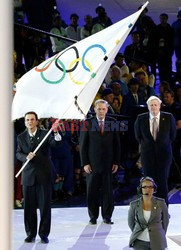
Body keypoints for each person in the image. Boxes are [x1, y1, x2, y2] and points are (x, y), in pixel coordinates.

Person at [16, 111, 61, 244]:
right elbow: (18, 153)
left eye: (32, 119)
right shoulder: (21, 137)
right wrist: (25, 157)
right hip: (28, 177)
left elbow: (55, 144)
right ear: (25, 122)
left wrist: (56, 132)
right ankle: (30, 234)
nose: (30, 122)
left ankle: (43, 234)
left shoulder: (45, 133)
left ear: (36, 121)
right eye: (27, 120)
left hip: (44, 176)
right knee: (28, 208)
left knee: (44, 207)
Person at [80, 99, 120, 225]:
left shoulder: (112, 122)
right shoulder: (88, 123)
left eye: (103, 109)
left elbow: (116, 144)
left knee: (108, 191)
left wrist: (116, 162)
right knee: (92, 191)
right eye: (99, 109)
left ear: (107, 110)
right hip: (92, 164)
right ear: (94, 110)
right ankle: (93, 216)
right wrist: (85, 163)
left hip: (108, 163)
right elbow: (83, 145)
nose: (101, 111)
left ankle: (107, 216)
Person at [134, 96, 176, 205]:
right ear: (148, 106)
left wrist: (162, 144)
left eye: (155, 105)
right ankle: (150, 208)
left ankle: (163, 209)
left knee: (162, 182)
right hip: (148, 156)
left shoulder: (168, 117)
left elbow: (172, 136)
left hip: (164, 155)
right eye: (151, 105)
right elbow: (138, 136)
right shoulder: (141, 118)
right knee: (149, 183)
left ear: (160, 106)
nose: (153, 107)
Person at [128, 176, 169, 250]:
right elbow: (131, 223)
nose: (148, 189)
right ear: (140, 189)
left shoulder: (161, 203)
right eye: (145, 187)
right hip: (139, 242)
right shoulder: (134, 205)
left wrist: (160, 234)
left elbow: (165, 222)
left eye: (150, 187)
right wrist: (138, 231)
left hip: (158, 240)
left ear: (154, 189)